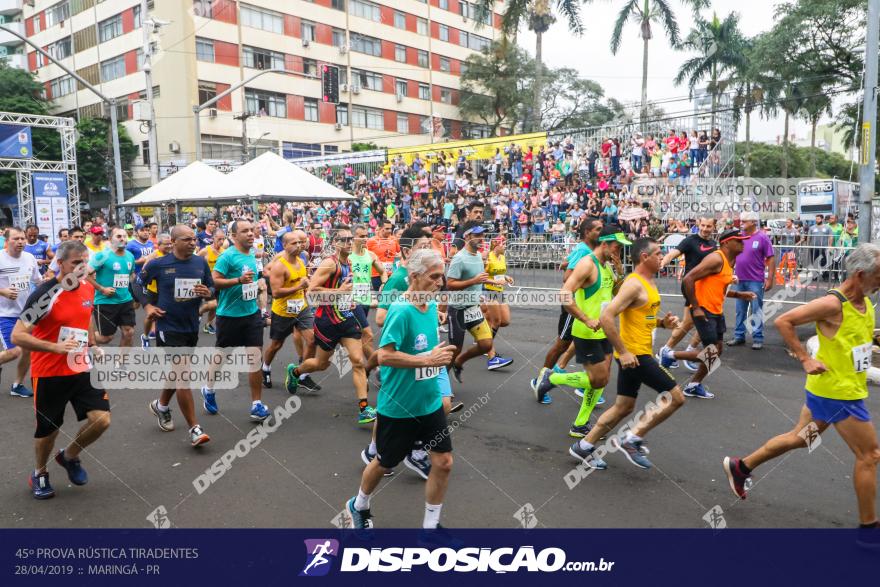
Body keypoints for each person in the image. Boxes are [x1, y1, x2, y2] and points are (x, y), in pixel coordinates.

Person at [723, 244, 880, 547]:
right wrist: (805, 358)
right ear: (860, 275)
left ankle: (740, 467)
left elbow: (853, 340)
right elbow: (784, 321)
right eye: (879, 277)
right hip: (838, 396)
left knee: (800, 437)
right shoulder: (833, 304)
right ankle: (869, 530)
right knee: (869, 455)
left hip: (835, 392)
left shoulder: (865, 303)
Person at [346, 249, 457, 543]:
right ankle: (358, 505)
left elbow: (424, 348)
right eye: (434, 276)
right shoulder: (401, 310)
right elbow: (385, 355)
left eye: (441, 275)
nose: (440, 282)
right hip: (399, 406)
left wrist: (437, 356)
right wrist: (426, 361)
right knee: (384, 463)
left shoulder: (430, 304)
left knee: (444, 461)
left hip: (429, 401)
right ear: (415, 276)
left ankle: (431, 529)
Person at [570, 238, 684, 470]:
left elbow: (644, 318)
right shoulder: (633, 284)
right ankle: (632, 439)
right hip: (636, 355)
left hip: (636, 354)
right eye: (659, 254)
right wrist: (622, 352)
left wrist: (663, 323)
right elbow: (606, 317)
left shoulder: (649, 282)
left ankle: (583, 446)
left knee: (623, 407)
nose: (663, 258)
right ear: (645, 257)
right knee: (675, 397)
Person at [13, 240, 110, 499]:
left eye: (84, 262)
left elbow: (86, 314)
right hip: (50, 372)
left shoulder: (88, 288)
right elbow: (18, 336)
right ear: (60, 263)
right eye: (75, 263)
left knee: (101, 420)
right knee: (49, 431)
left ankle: (69, 456)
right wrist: (55, 348)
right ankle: (39, 472)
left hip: (80, 365)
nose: (81, 267)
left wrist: (91, 343)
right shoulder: (45, 295)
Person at [534, 226, 631, 440]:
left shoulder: (607, 265)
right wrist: (586, 319)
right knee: (597, 379)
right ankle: (553, 378)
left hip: (605, 330)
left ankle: (580, 424)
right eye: (617, 247)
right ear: (604, 243)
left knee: (602, 380)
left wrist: (620, 274)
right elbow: (565, 294)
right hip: (587, 331)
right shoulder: (588, 264)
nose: (619, 252)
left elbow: (615, 293)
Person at [285, 227, 377, 426]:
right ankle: (295, 372)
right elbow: (311, 291)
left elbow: (345, 291)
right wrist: (339, 291)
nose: (347, 242)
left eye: (349, 239)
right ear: (335, 243)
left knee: (357, 361)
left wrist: (349, 298)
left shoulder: (350, 263)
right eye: (343, 239)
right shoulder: (329, 263)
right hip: (327, 322)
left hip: (346, 318)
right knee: (321, 364)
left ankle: (363, 408)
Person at [136, 225, 214, 447]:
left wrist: (208, 293)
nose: (193, 243)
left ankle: (161, 406)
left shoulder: (200, 262)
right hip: (168, 326)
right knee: (183, 376)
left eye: (194, 239)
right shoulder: (159, 264)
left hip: (190, 325)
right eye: (187, 239)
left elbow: (211, 285)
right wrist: (148, 307)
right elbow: (137, 284)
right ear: (174, 241)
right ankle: (195, 429)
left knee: (177, 372)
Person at [203, 219, 271, 422]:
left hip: (251, 315)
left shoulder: (251, 254)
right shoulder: (227, 257)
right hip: (229, 316)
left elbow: (253, 281)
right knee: (222, 356)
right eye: (245, 231)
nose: (251, 234)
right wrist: (237, 281)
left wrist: (260, 299)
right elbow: (213, 281)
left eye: (252, 230)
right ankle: (208, 388)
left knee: (254, 360)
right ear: (234, 236)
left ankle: (256, 405)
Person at [675, 228, 754, 398]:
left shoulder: (729, 261)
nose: (743, 243)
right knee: (713, 351)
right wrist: (695, 307)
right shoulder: (716, 258)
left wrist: (740, 294)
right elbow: (688, 279)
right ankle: (669, 355)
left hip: (716, 310)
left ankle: (694, 385)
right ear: (726, 243)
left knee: (718, 350)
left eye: (743, 240)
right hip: (703, 309)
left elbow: (718, 288)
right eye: (738, 241)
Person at [446, 221, 511, 383]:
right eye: (477, 235)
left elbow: (480, 279)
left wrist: (496, 282)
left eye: (482, 235)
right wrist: (473, 281)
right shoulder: (459, 258)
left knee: (486, 344)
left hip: (473, 308)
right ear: (467, 237)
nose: (482, 238)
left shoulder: (478, 257)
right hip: (458, 310)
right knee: (455, 349)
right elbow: (450, 284)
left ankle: (459, 363)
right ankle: (441, 384)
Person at [262, 230, 319, 392]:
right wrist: (298, 286)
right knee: (276, 345)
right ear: (285, 245)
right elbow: (277, 292)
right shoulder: (279, 266)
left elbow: (303, 283)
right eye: (294, 243)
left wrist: (306, 290)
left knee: (313, 340)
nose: (299, 245)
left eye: (300, 243)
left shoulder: (301, 262)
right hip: (283, 311)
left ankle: (301, 375)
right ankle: (265, 368)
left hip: (301, 308)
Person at [658, 217, 718, 371]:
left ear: (714, 227)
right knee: (690, 322)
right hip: (691, 286)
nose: (705, 228)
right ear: (698, 225)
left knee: (703, 321)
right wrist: (664, 261)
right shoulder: (691, 240)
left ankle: (683, 351)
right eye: (703, 225)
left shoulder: (713, 244)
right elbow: (674, 253)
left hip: (707, 288)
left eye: (709, 226)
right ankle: (666, 351)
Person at [0, 227, 43, 397]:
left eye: (22, 239)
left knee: (27, 351)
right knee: (15, 351)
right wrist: (3, 291)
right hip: (5, 314)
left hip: (26, 313)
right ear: (6, 241)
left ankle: (17, 385)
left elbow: (37, 281)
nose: (20, 242)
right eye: (16, 239)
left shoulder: (30, 258)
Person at [728, 212, 775, 350]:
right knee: (740, 310)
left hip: (756, 280)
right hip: (739, 279)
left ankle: (758, 337)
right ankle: (739, 336)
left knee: (756, 310)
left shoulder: (762, 237)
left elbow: (771, 258)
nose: (741, 223)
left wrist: (770, 278)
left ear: (753, 222)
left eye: (744, 221)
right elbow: (732, 256)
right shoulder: (739, 237)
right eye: (741, 221)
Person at [87, 227, 136, 348]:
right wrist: (102, 289)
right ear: (110, 239)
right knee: (106, 338)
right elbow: (85, 274)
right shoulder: (102, 256)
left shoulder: (130, 256)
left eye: (124, 236)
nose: (122, 239)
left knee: (129, 332)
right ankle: (84, 339)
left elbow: (130, 275)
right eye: (118, 236)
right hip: (105, 301)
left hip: (125, 300)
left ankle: (121, 364)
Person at [483, 236, 515, 371]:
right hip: (489, 291)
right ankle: (487, 347)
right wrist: (495, 282)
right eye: (503, 244)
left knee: (505, 321)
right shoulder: (488, 258)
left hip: (500, 291)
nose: (505, 247)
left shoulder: (502, 257)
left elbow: (500, 273)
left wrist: (506, 277)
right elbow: (481, 277)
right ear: (496, 246)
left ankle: (483, 332)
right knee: (496, 321)